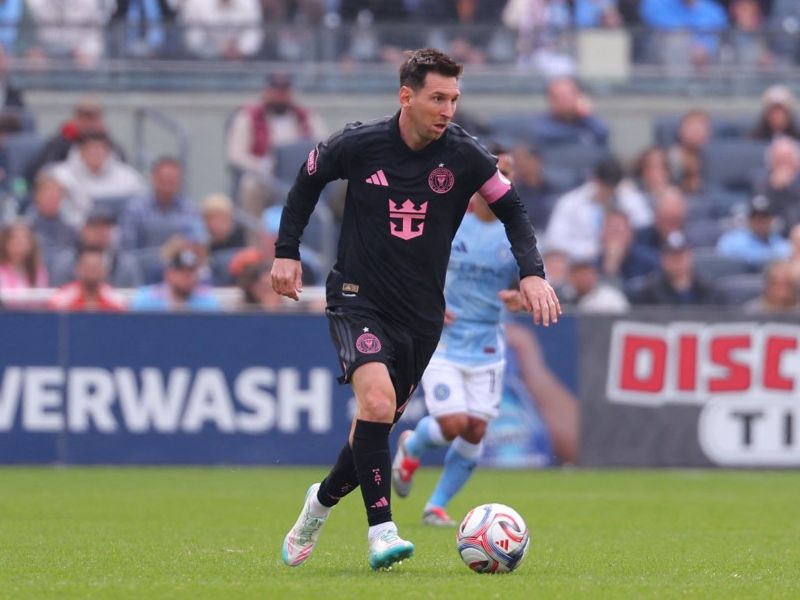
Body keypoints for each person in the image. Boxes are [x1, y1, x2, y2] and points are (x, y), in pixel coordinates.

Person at [272, 48, 559, 571]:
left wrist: (532, 271)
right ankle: (382, 532)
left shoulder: (466, 156)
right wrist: (287, 251)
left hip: (422, 316)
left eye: (454, 99)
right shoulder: (359, 144)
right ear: (406, 96)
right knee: (377, 403)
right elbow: (307, 179)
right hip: (357, 297)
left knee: (373, 426)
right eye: (437, 98)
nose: (448, 110)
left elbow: (513, 210)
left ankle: (319, 504)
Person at [388, 151, 527, 526]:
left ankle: (435, 506)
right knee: (452, 424)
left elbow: (529, 286)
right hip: (443, 340)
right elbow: (408, 267)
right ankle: (412, 445)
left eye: (509, 174)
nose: (502, 180)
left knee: (476, 429)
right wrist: (427, 302)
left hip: (487, 344)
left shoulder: (515, 231)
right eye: (497, 172)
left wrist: (521, 299)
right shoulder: (447, 221)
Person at [226, 73, 326, 216]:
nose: (280, 94)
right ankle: (256, 230)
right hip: (267, 178)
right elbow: (235, 155)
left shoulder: (307, 117)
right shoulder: (248, 116)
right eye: (275, 89)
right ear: (266, 91)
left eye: (284, 89)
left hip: (299, 176)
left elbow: (323, 147)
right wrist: (261, 165)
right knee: (250, 185)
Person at [130, 242, 220, 311]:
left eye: (192, 271)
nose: (189, 277)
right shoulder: (146, 301)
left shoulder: (207, 302)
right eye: (182, 272)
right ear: (168, 274)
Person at [715, 195, 791, 269]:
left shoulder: (779, 243)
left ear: (771, 220)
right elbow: (722, 265)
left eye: (764, 218)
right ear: (748, 220)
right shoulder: (731, 241)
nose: (760, 222)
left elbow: (786, 254)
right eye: (756, 218)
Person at [47, 247, 127, 311]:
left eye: (96, 267)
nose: (92, 272)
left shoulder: (116, 301)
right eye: (87, 267)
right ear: (77, 269)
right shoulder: (62, 300)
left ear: (105, 271)